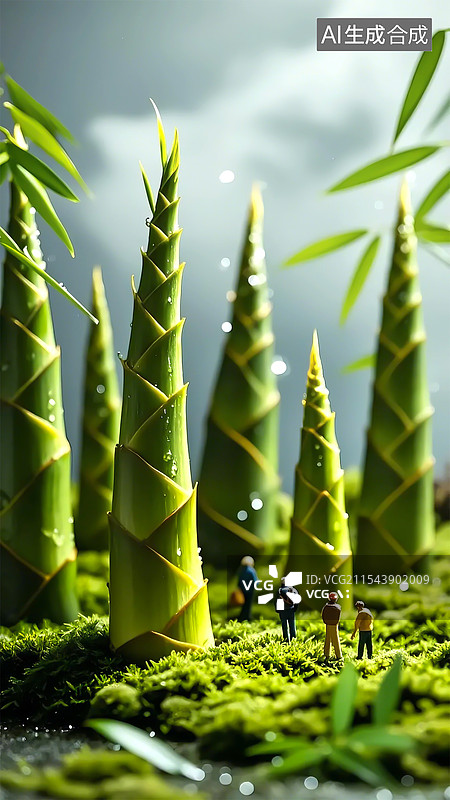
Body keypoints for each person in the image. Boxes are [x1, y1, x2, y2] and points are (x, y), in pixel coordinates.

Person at [275, 576, 300, 642]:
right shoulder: (293, 590)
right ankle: (293, 638)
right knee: (292, 625)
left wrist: (277, 610)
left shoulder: (280, 590)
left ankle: (286, 639)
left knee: (284, 625)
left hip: (282, 611)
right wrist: (295, 608)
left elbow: (276, 601)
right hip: (291, 609)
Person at [321, 592, 342, 659]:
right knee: (336, 640)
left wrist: (325, 622)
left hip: (328, 624)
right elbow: (338, 617)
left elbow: (323, 615)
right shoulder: (338, 607)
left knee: (327, 639)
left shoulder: (326, 607)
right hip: (334, 625)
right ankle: (339, 656)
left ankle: (326, 654)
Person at [237, 556, 258, 621]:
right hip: (250, 590)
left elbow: (239, 580)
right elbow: (255, 580)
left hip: (243, 590)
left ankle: (242, 617)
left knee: (244, 604)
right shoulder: (251, 571)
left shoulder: (242, 570)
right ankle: (247, 617)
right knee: (248, 604)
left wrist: (240, 587)